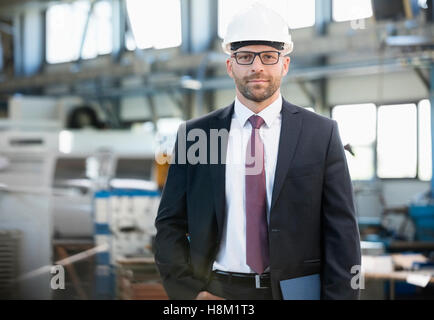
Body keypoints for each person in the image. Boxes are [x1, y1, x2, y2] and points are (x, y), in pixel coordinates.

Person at [154, 3, 361, 300]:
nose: (257, 67)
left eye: (268, 56)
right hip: (216, 293)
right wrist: (192, 294)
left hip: (295, 292)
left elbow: (342, 236)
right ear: (230, 66)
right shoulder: (198, 136)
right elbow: (169, 226)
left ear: (284, 64)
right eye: (245, 56)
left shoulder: (320, 134)